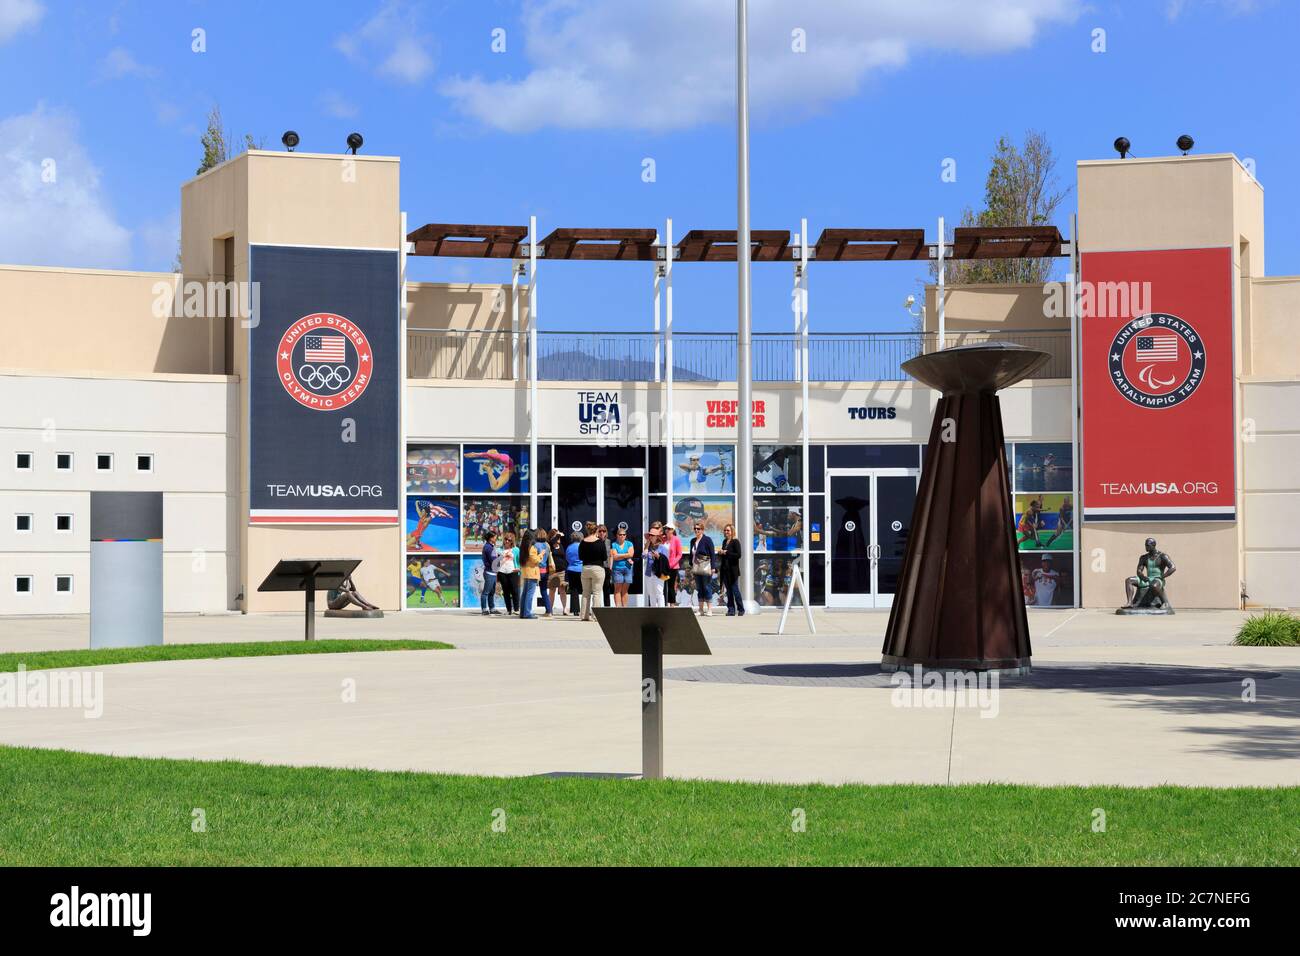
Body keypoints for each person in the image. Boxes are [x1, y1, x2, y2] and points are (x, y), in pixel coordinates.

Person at [578, 520, 606, 621]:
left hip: (586, 568)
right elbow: (604, 557)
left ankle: (584, 616)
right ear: (596, 530)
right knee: (597, 593)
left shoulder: (582, 542)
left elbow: (580, 557)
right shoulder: (600, 543)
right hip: (598, 568)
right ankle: (595, 616)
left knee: (585, 593)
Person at [688, 521, 716, 616]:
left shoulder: (707, 540)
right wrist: (690, 565)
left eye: (698, 529)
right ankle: (700, 609)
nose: (696, 530)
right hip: (696, 567)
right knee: (699, 588)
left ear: (702, 530)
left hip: (705, 566)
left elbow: (712, 554)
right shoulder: (692, 541)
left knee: (706, 587)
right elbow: (691, 554)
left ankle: (709, 609)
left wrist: (713, 567)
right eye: (695, 529)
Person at [719, 523, 743, 616]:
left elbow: (738, 555)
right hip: (725, 570)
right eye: (725, 530)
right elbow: (724, 555)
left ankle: (741, 609)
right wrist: (720, 552)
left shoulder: (735, 541)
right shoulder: (725, 541)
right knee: (728, 591)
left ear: (732, 531)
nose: (726, 532)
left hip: (733, 571)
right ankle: (731, 610)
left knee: (735, 590)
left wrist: (727, 552)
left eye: (728, 530)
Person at [518, 530, 541, 619]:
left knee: (525, 593)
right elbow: (535, 560)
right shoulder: (531, 547)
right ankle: (527, 613)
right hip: (532, 572)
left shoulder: (523, 547)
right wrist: (541, 555)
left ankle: (523, 612)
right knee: (530, 593)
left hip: (526, 572)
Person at [610, 526, 635, 607]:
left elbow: (631, 554)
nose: (622, 536)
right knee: (617, 589)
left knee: (625, 590)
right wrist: (626, 555)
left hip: (628, 568)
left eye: (624, 535)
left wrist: (620, 555)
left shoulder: (629, 543)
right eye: (620, 534)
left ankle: (625, 608)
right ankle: (618, 608)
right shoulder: (614, 544)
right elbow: (615, 557)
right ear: (617, 535)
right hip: (617, 569)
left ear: (626, 535)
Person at [643, 524, 666, 607]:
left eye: (652, 535)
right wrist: (646, 545)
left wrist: (658, 556)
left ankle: (662, 612)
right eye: (649, 535)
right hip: (649, 573)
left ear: (657, 537)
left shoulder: (662, 547)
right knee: (651, 593)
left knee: (659, 593)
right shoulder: (648, 547)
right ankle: (653, 611)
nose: (650, 536)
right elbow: (643, 556)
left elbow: (666, 561)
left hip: (659, 573)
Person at [548, 530, 569, 615]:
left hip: (562, 571)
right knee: (552, 590)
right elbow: (551, 541)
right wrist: (557, 535)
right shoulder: (550, 545)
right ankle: (550, 609)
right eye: (557, 536)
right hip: (553, 572)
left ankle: (564, 609)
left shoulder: (561, 545)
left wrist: (560, 535)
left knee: (562, 590)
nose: (559, 538)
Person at [497, 531, 519, 615]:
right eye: (506, 539)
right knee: (506, 592)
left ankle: (516, 609)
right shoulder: (499, 549)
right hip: (502, 572)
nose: (507, 541)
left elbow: (519, 560)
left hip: (512, 571)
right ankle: (508, 610)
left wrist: (519, 568)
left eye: (509, 540)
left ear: (512, 541)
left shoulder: (516, 550)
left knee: (514, 591)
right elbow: (494, 560)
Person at [533, 527, 553, 616]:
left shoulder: (535, 545)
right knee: (544, 590)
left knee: (530, 590)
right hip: (545, 570)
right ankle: (549, 610)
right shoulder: (547, 545)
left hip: (537, 570)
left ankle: (528, 609)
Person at [480, 531, 499, 615]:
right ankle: (484, 609)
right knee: (486, 592)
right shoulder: (488, 547)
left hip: (493, 572)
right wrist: (503, 556)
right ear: (491, 538)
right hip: (489, 572)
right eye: (495, 537)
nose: (496, 538)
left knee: (492, 592)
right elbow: (493, 561)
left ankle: (492, 608)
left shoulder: (491, 546)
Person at [565, 531, 583, 616]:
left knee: (574, 590)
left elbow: (567, 558)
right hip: (581, 569)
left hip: (571, 569)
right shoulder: (582, 546)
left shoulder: (569, 547)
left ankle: (575, 610)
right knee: (585, 590)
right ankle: (584, 609)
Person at [663, 524, 683, 605]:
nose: (667, 530)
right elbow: (648, 537)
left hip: (672, 568)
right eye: (666, 528)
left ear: (673, 530)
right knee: (662, 586)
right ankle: (663, 604)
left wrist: (671, 564)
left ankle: (672, 605)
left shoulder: (676, 539)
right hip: (663, 567)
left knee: (671, 586)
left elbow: (679, 554)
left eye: (669, 528)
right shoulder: (663, 539)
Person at [597, 524, 615, 606]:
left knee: (606, 589)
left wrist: (611, 567)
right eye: (600, 531)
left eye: (604, 531)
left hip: (607, 568)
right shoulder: (595, 541)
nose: (602, 533)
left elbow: (611, 555)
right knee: (597, 589)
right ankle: (597, 608)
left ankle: (607, 607)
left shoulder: (609, 542)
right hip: (597, 567)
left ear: (606, 532)